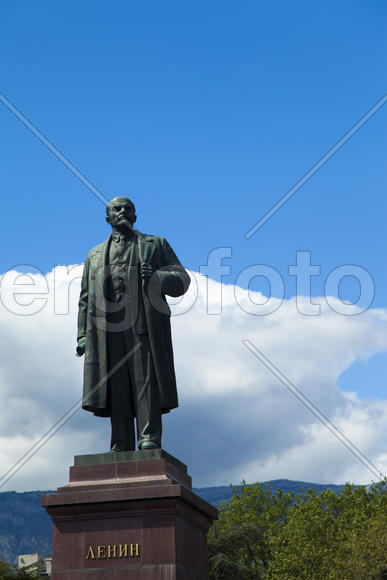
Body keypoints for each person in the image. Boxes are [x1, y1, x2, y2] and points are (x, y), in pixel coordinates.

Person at [76, 196, 190, 451]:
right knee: (116, 384)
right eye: (117, 209)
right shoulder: (93, 254)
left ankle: (148, 436)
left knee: (145, 380)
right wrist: (82, 334)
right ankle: (121, 441)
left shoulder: (155, 244)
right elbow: (85, 297)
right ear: (108, 218)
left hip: (144, 322)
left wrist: (159, 277)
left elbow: (182, 279)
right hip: (107, 327)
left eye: (128, 209)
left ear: (135, 217)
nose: (123, 212)